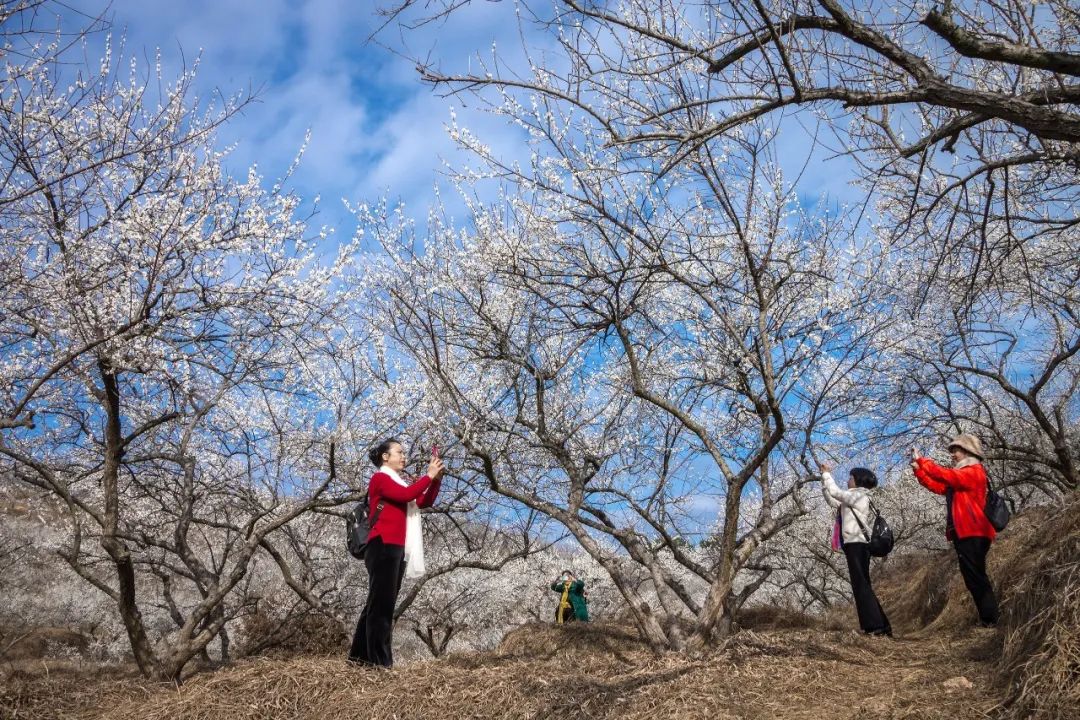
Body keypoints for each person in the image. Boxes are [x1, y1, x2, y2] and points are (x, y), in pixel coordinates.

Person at [348, 438, 444, 667]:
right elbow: (406, 495)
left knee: (377, 603)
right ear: (385, 457)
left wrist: (436, 481)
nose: (404, 457)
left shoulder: (399, 482)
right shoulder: (380, 478)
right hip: (382, 544)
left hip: (395, 548)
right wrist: (428, 476)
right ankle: (380, 662)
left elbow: (422, 500)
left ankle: (358, 658)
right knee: (382, 606)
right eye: (399, 452)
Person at [911, 433, 999, 627]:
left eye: (955, 451)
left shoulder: (974, 471)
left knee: (976, 576)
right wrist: (919, 471)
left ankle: (991, 619)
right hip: (965, 532)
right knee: (972, 576)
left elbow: (945, 475)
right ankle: (988, 618)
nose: (952, 455)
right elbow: (938, 486)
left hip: (974, 531)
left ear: (968, 451)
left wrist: (923, 460)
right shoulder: (961, 476)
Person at [820, 461, 892, 636]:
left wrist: (827, 474)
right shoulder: (852, 497)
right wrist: (823, 482)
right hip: (854, 545)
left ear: (858, 480)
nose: (848, 480)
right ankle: (880, 625)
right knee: (861, 584)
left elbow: (836, 493)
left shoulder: (859, 496)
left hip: (858, 545)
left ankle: (875, 626)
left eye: (851, 477)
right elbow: (833, 500)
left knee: (861, 585)